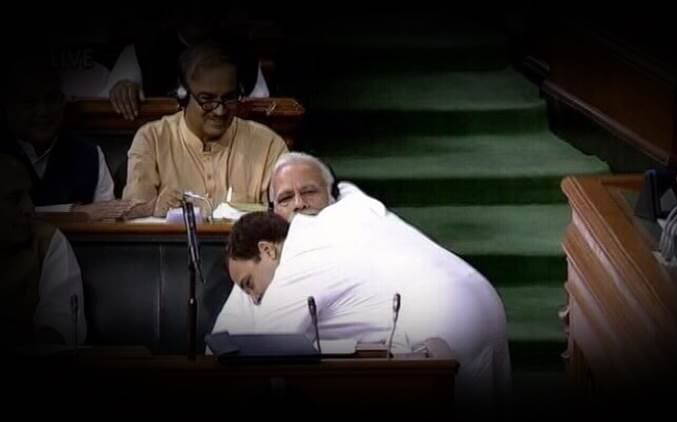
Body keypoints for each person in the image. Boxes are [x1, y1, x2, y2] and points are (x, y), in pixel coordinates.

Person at [213, 184, 511, 406]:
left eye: (249, 284)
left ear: (267, 249)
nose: (254, 298)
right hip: (482, 295)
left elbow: (263, 350)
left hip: (448, 320)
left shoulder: (296, 264)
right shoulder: (337, 214)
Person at [122, 41, 287, 218]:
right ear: (183, 95)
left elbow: (287, 213)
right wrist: (154, 207)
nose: (220, 111)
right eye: (207, 99)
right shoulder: (152, 138)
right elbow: (132, 213)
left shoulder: (268, 144)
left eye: (229, 98)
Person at [2, 54, 136, 221]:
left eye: (50, 100)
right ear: (9, 107)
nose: (42, 111)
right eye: (29, 102)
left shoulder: (89, 154)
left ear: (62, 101)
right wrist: (75, 213)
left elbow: (107, 216)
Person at [105, 7, 269, 121]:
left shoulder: (242, 52)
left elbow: (263, 110)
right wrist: (122, 90)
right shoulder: (143, 49)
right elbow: (104, 107)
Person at [0, 153, 87, 350]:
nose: (29, 208)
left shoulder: (47, 240)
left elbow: (60, 325)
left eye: (28, 196)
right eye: (14, 199)